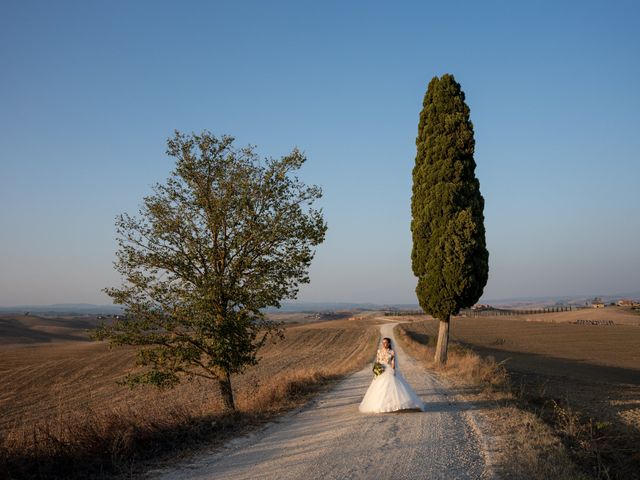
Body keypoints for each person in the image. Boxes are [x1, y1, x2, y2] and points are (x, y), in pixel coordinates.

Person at [358, 337, 425, 413]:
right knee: (380, 389)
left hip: (389, 370)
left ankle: (394, 405)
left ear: (389, 343)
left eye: (386, 342)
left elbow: (393, 363)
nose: (384, 344)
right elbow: (377, 361)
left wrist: (393, 371)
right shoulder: (379, 351)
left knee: (392, 388)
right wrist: (377, 371)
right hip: (381, 371)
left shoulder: (392, 352)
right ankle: (381, 405)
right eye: (383, 342)